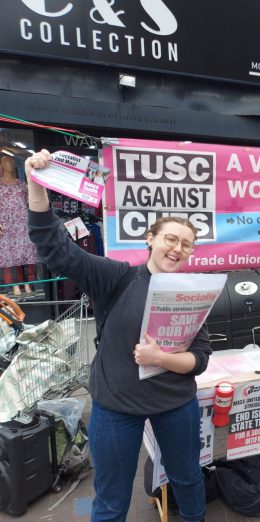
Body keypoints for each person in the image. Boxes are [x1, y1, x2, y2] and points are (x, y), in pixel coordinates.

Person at [25, 150, 210, 522]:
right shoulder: (116, 278)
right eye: (170, 239)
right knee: (111, 502)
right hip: (115, 407)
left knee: (188, 480)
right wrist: (36, 186)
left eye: (186, 244)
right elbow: (57, 251)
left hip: (176, 404)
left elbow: (201, 357)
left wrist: (163, 360)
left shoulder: (192, 290)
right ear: (150, 240)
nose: (177, 249)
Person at [0, 154, 38, 296]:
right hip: (6, 224)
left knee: (25, 254)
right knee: (9, 257)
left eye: (11, 161)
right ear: (1, 166)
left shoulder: (21, 185)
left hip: (22, 224)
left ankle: (28, 283)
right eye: (5, 162)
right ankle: (14, 286)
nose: (9, 164)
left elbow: (30, 202)